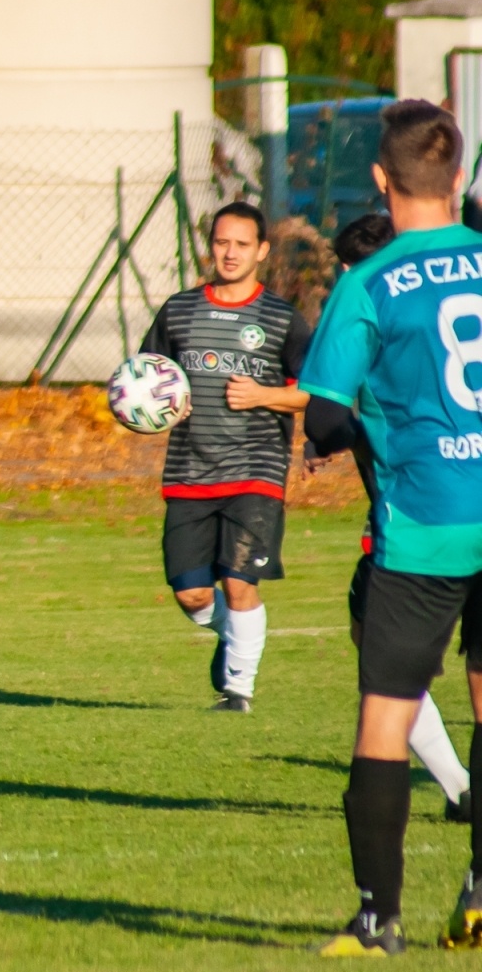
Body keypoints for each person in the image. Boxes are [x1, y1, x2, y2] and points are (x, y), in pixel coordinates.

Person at [302, 101, 482, 956]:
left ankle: (377, 921)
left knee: (384, 720)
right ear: (458, 180)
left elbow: (324, 422)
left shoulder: (367, 284)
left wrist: (372, 418)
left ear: (381, 179)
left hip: (423, 529)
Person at [139, 202, 312, 712]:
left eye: (241, 244)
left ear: (261, 251)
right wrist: (153, 408)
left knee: (239, 581)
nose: (230, 253)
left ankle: (238, 689)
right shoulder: (178, 310)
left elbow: (317, 391)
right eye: (221, 242)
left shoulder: (281, 318)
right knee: (192, 596)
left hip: (255, 471)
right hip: (189, 472)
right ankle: (231, 635)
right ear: (210, 246)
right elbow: (147, 378)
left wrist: (263, 395)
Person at [328, 212, 471, 825]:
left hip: (419, 520)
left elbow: (327, 410)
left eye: (347, 268)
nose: (343, 277)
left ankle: (459, 789)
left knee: (382, 673)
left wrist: (333, 433)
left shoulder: (379, 305)